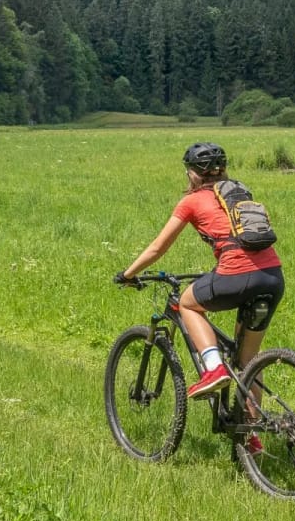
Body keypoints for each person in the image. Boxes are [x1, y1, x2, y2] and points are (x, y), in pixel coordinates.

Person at [116, 142, 284, 410]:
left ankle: (214, 368)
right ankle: (251, 436)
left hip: (236, 275)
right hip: (273, 277)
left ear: (192, 174)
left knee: (187, 303)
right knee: (248, 360)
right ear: (223, 170)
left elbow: (158, 247)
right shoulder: (241, 195)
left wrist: (127, 274)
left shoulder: (191, 201)